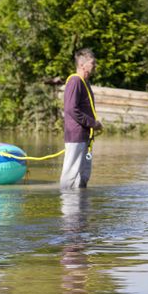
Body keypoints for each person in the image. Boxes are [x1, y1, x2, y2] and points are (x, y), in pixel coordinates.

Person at [60, 48, 103, 189]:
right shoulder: (75, 81)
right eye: (92, 63)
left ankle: (82, 210)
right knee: (70, 174)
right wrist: (93, 123)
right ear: (82, 65)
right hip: (76, 136)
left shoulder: (85, 82)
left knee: (83, 175)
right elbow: (70, 109)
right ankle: (68, 207)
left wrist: (92, 126)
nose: (95, 65)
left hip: (85, 136)